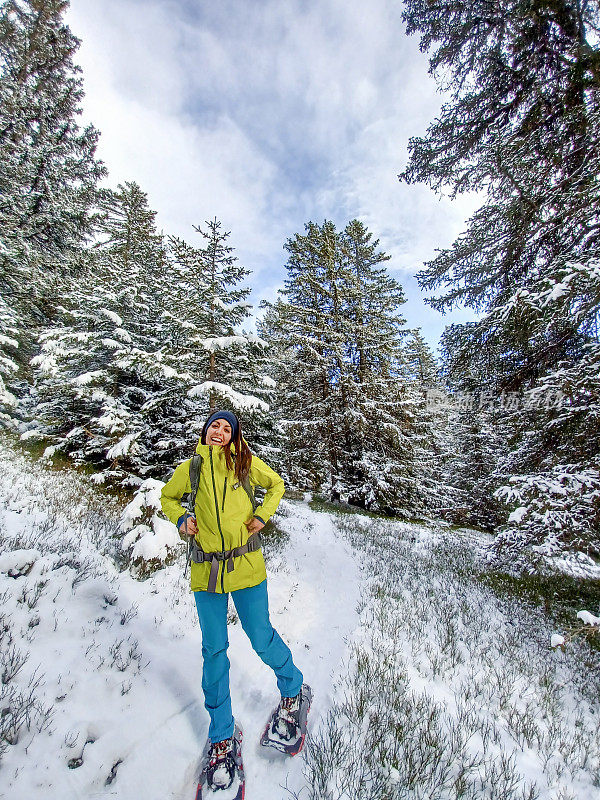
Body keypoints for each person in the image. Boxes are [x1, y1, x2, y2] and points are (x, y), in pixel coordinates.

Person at [160, 409, 309, 791]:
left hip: (245, 565)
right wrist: (180, 520)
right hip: (206, 571)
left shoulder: (245, 462)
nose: (220, 432)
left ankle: (293, 691)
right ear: (206, 431)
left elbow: (276, 485)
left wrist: (262, 515)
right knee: (214, 649)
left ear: (234, 434)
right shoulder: (191, 467)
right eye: (215, 426)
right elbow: (168, 496)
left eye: (227, 428)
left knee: (260, 635)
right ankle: (222, 735)